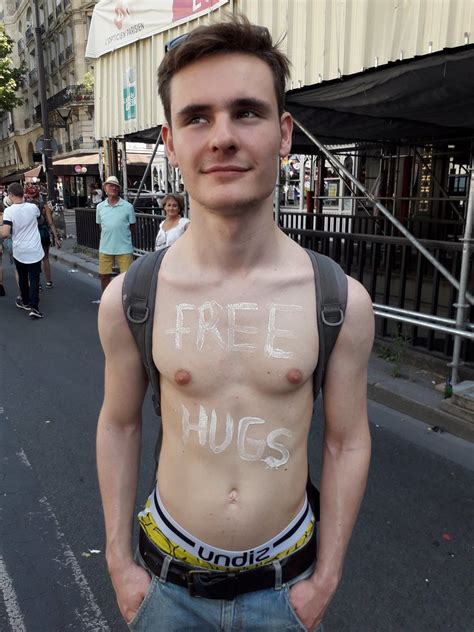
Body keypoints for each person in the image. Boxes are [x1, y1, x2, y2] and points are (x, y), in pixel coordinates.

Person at [97, 16, 373, 631]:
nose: (221, 136)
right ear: (170, 141)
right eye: (198, 117)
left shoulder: (340, 301)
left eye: (246, 112)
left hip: (288, 592)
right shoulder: (131, 298)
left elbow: (346, 440)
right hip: (164, 591)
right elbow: (118, 424)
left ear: (283, 135)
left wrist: (325, 579)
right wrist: (119, 563)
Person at [1, 182, 45, 318]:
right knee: (34, 278)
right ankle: (34, 307)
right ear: (22, 193)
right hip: (35, 249)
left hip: (19, 249)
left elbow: (5, 233)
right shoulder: (33, 207)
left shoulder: (9, 211)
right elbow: (39, 219)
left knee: (23, 277)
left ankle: (25, 301)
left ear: (11, 195)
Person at [96, 175, 136, 294]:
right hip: (105, 247)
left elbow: (133, 227)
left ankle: (124, 299)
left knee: (126, 278)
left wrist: (126, 239)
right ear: (105, 189)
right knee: (104, 276)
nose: (113, 188)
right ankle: (106, 299)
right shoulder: (100, 207)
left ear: (118, 189)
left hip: (124, 248)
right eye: (110, 186)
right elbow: (100, 226)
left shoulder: (128, 207)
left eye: (115, 186)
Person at [24, 184, 61, 289]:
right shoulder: (44, 206)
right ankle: (49, 282)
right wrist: (56, 238)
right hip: (43, 232)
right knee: (45, 258)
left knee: (34, 259)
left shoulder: (26, 207)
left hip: (32, 234)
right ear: (38, 194)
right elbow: (51, 223)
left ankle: (38, 284)